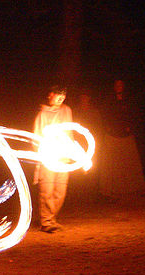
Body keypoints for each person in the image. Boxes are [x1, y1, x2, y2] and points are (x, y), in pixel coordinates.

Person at [33, 85, 73, 233]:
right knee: (47, 190)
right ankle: (46, 221)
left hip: (63, 157)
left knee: (60, 191)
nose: (61, 99)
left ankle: (52, 218)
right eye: (58, 96)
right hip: (48, 158)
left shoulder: (67, 111)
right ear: (50, 95)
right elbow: (36, 138)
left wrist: (70, 152)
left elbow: (69, 132)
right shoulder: (42, 115)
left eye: (63, 97)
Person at [99, 79, 145, 201]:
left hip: (126, 136)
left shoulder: (130, 100)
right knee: (113, 166)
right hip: (112, 136)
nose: (118, 87)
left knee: (128, 164)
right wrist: (109, 128)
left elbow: (135, 115)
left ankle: (131, 192)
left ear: (124, 86)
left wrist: (130, 127)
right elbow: (104, 116)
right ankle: (112, 193)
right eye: (116, 85)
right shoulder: (108, 100)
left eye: (121, 85)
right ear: (114, 87)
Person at [70, 87, 103, 201]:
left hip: (91, 144)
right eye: (82, 97)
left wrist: (97, 143)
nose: (84, 99)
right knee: (78, 171)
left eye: (86, 97)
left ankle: (92, 194)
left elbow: (98, 128)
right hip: (78, 145)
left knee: (92, 170)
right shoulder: (75, 111)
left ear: (89, 98)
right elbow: (71, 127)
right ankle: (78, 194)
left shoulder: (94, 112)